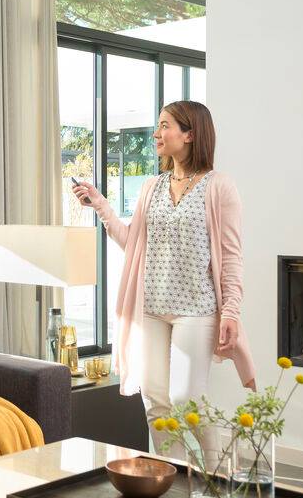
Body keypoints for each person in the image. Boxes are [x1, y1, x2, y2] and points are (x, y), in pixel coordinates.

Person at [71, 100, 256, 452]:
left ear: (190, 134)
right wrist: (101, 206)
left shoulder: (219, 187)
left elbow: (231, 258)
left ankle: (215, 474)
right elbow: (134, 244)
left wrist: (230, 311)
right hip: (151, 307)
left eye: (165, 125)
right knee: (155, 400)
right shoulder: (151, 187)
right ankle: (172, 476)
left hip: (196, 309)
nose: (156, 133)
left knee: (186, 400)